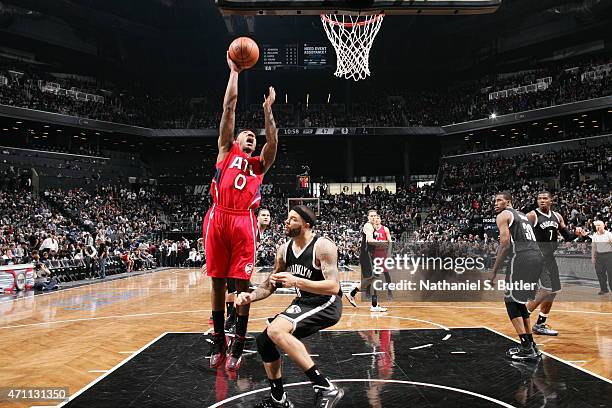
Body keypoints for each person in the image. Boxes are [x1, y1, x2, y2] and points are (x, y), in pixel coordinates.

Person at [203, 52, 278, 372]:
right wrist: (234, 71)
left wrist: (267, 113)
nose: (251, 135)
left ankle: (237, 340)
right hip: (217, 216)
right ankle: (220, 340)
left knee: (241, 287)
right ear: (235, 140)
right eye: (245, 134)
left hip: (242, 221)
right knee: (218, 284)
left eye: (253, 136)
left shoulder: (258, 165)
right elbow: (229, 108)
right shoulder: (225, 150)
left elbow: (272, 143)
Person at [235, 206, 344, 408]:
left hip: (326, 303)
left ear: (306, 225)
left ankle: (325, 387)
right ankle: (279, 399)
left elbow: (334, 287)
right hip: (303, 302)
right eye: (287, 218)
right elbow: (270, 284)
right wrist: (249, 297)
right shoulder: (284, 250)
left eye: (293, 219)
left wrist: (296, 281)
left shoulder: (323, 246)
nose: (287, 222)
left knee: (276, 330)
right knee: (264, 341)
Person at [490, 192, 543, 360]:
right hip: (536, 257)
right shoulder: (522, 215)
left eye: (499, 200)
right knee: (519, 302)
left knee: (510, 301)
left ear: (508, 201)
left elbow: (505, 244)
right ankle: (531, 345)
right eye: (495, 201)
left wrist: (494, 271)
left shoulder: (503, 215)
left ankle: (526, 348)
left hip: (522, 257)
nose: (496, 203)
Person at [526, 191, 585, 336]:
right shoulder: (532, 215)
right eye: (539, 198)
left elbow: (567, 237)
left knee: (553, 291)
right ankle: (522, 315)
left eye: (545, 198)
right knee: (546, 289)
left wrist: (577, 235)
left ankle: (539, 325)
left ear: (551, 200)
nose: (542, 201)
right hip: (537, 258)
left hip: (550, 258)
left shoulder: (557, 216)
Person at [346, 209, 390, 312]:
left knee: (374, 278)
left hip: (370, 255)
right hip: (366, 255)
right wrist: (382, 243)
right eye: (372, 216)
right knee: (373, 277)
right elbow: (370, 240)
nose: (374, 217)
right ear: (368, 217)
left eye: (375, 216)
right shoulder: (368, 226)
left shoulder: (373, 227)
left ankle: (373, 305)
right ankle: (352, 292)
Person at [590, 220, 612, 295]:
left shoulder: (609, 234)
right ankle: (604, 289)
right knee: (599, 272)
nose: (598, 227)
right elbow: (594, 247)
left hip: (609, 255)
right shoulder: (594, 235)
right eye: (597, 225)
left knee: (610, 274)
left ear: (604, 226)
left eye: (599, 225)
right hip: (599, 256)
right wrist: (593, 257)